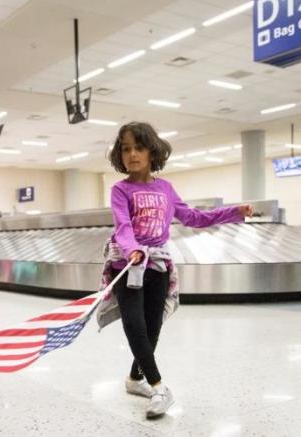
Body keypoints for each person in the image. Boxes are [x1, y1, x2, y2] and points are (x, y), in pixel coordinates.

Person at [99, 122, 253, 418]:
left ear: (151, 150)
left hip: (157, 268)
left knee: (152, 329)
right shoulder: (120, 190)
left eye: (138, 147)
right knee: (134, 326)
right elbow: (123, 225)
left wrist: (234, 211)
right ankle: (159, 388)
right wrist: (132, 248)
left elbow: (195, 217)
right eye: (125, 148)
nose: (132, 154)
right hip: (128, 264)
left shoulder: (165, 189)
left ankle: (134, 379)